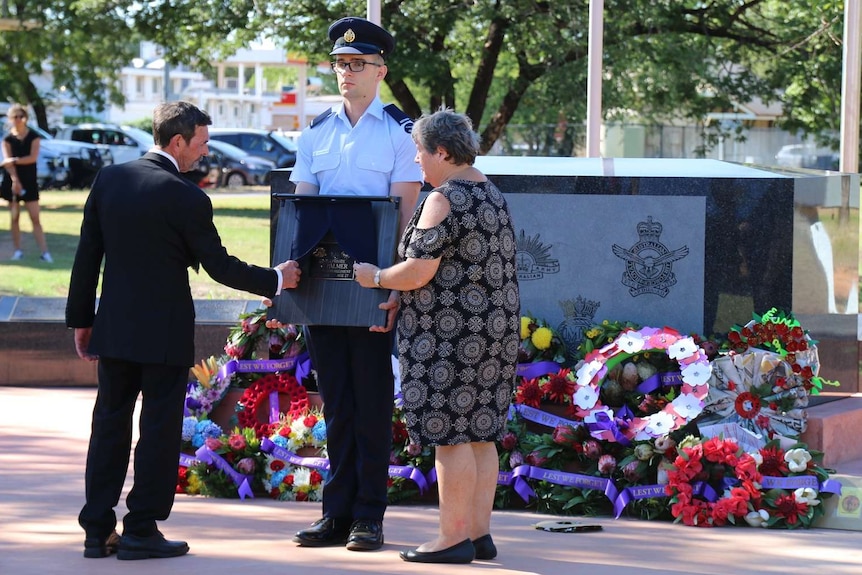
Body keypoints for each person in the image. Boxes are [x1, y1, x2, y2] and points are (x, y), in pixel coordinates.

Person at [66, 101, 301, 561]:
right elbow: (219, 266)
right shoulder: (187, 197)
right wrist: (276, 278)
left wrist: (82, 320)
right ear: (178, 141)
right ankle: (140, 529)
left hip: (113, 330)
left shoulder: (110, 180)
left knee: (108, 426)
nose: (205, 151)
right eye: (202, 142)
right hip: (165, 335)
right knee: (158, 429)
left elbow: (86, 255)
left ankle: (97, 530)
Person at [354, 110, 520, 564]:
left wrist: (376, 278)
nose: (416, 161)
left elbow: (419, 270)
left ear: (442, 152)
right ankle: (479, 534)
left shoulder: (442, 199)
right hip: (495, 332)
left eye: (420, 151)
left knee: (450, 436)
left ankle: (451, 538)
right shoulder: (490, 191)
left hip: (449, 338)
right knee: (482, 434)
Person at [288, 16, 422, 552]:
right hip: (323, 289)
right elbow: (300, 214)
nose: (347, 72)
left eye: (358, 64)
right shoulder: (315, 133)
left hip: (372, 287)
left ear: (380, 71)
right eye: (341, 64)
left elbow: (408, 218)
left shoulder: (400, 135)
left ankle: (369, 515)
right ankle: (334, 513)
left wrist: (396, 287)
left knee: (370, 402)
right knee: (337, 404)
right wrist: (289, 281)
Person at [1, 104, 52, 262]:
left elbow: (32, 157)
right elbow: (7, 163)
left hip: (30, 181)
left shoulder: (34, 137)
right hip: (12, 182)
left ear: (26, 118)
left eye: (20, 117)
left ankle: (45, 253)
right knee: (14, 218)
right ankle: (18, 251)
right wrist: (15, 181)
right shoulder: (7, 139)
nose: (18, 120)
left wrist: (15, 160)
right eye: (14, 117)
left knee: (35, 218)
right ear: (10, 119)